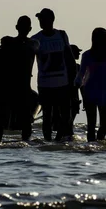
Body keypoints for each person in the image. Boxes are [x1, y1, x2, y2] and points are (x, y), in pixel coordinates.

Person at [31, 8, 77, 141]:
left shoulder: (61, 35)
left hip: (62, 83)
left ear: (51, 20)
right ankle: (47, 140)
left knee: (65, 115)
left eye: (43, 19)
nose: (40, 21)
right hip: (45, 84)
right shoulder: (35, 39)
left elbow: (69, 59)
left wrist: (73, 82)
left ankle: (58, 139)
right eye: (39, 19)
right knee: (47, 116)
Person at [0, 15, 39, 142]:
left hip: (19, 88)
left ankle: (1, 143)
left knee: (22, 120)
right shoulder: (28, 44)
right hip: (12, 87)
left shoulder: (30, 44)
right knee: (6, 119)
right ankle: (1, 142)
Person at [75, 28, 106, 142]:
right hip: (90, 91)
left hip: (105, 91)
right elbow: (81, 73)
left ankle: (99, 145)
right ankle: (92, 146)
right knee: (91, 124)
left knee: (104, 124)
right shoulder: (87, 55)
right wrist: (76, 84)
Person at [69, 44, 82, 134]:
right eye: (77, 52)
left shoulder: (63, 66)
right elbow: (82, 84)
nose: (79, 54)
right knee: (69, 123)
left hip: (70, 97)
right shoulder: (77, 67)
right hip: (73, 97)